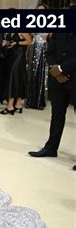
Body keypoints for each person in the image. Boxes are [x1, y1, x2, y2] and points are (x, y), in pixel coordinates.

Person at [28, 31, 75, 170]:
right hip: (57, 79)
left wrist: (61, 69)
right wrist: (56, 70)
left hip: (73, 77)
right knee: (57, 115)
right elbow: (50, 51)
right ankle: (51, 148)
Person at [0, 32, 32, 115]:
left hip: (19, 58)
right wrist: (6, 43)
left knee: (12, 79)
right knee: (18, 80)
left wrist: (17, 43)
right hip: (12, 58)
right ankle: (18, 104)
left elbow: (30, 41)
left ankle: (10, 106)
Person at [26, 3, 50, 110]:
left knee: (40, 73)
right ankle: (30, 100)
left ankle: (39, 102)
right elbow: (30, 35)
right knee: (31, 73)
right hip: (33, 47)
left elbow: (47, 36)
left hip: (43, 48)